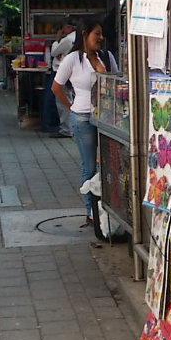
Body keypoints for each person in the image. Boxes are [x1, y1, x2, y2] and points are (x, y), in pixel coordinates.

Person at [52, 19, 115, 225]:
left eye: (102, 34)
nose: (101, 38)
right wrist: (71, 107)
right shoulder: (72, 59)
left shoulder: (106, 56)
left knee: (109, 163)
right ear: (85, 33)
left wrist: (99, 63)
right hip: (82, 117)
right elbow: (56, 87)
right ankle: (90, 210)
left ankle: (109, 206)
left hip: (107, 118)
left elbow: (112, 82)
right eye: (97, 33)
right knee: (89, 165)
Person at [44, 18, 75, 137]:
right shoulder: (77, 38)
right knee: (69, 98)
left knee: (62, 100)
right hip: (72, 72)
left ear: (68, 27)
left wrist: (57, 38)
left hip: (63, 72)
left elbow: (54, 52)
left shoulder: (67, 39)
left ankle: (66, 129)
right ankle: (70, 127)